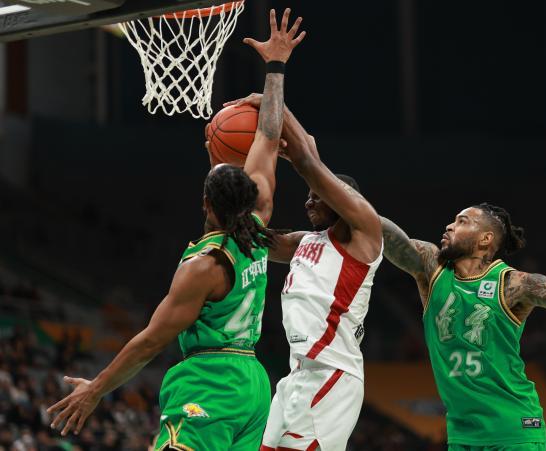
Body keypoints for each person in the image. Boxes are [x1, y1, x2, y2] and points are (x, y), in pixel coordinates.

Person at [46, 8, 305, 450]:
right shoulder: (259, 218)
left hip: (209, 383)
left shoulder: (204, 266)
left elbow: (150, 342)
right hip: (253, 383)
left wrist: (96, 389)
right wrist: (276, 68)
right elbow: (266, 136)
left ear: (206, 203)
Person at [380, 204, 546, 450]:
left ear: (485, 239)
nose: (450, 226)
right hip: (463, 434)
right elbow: (382, 234)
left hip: (514, 429)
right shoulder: (432, 268)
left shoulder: (514, 284)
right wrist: (353, 201)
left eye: (462, 221)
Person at [227, 95, 383, 450]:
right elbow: (244, 232)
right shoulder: (303, 241)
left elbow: (308, 159)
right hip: (297, 374)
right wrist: (229, 171)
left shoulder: (363, 232)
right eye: (308, 195)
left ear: (342, 198)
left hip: (332, 373)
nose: (308, 201)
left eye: (317, 196)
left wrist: (273, 99)